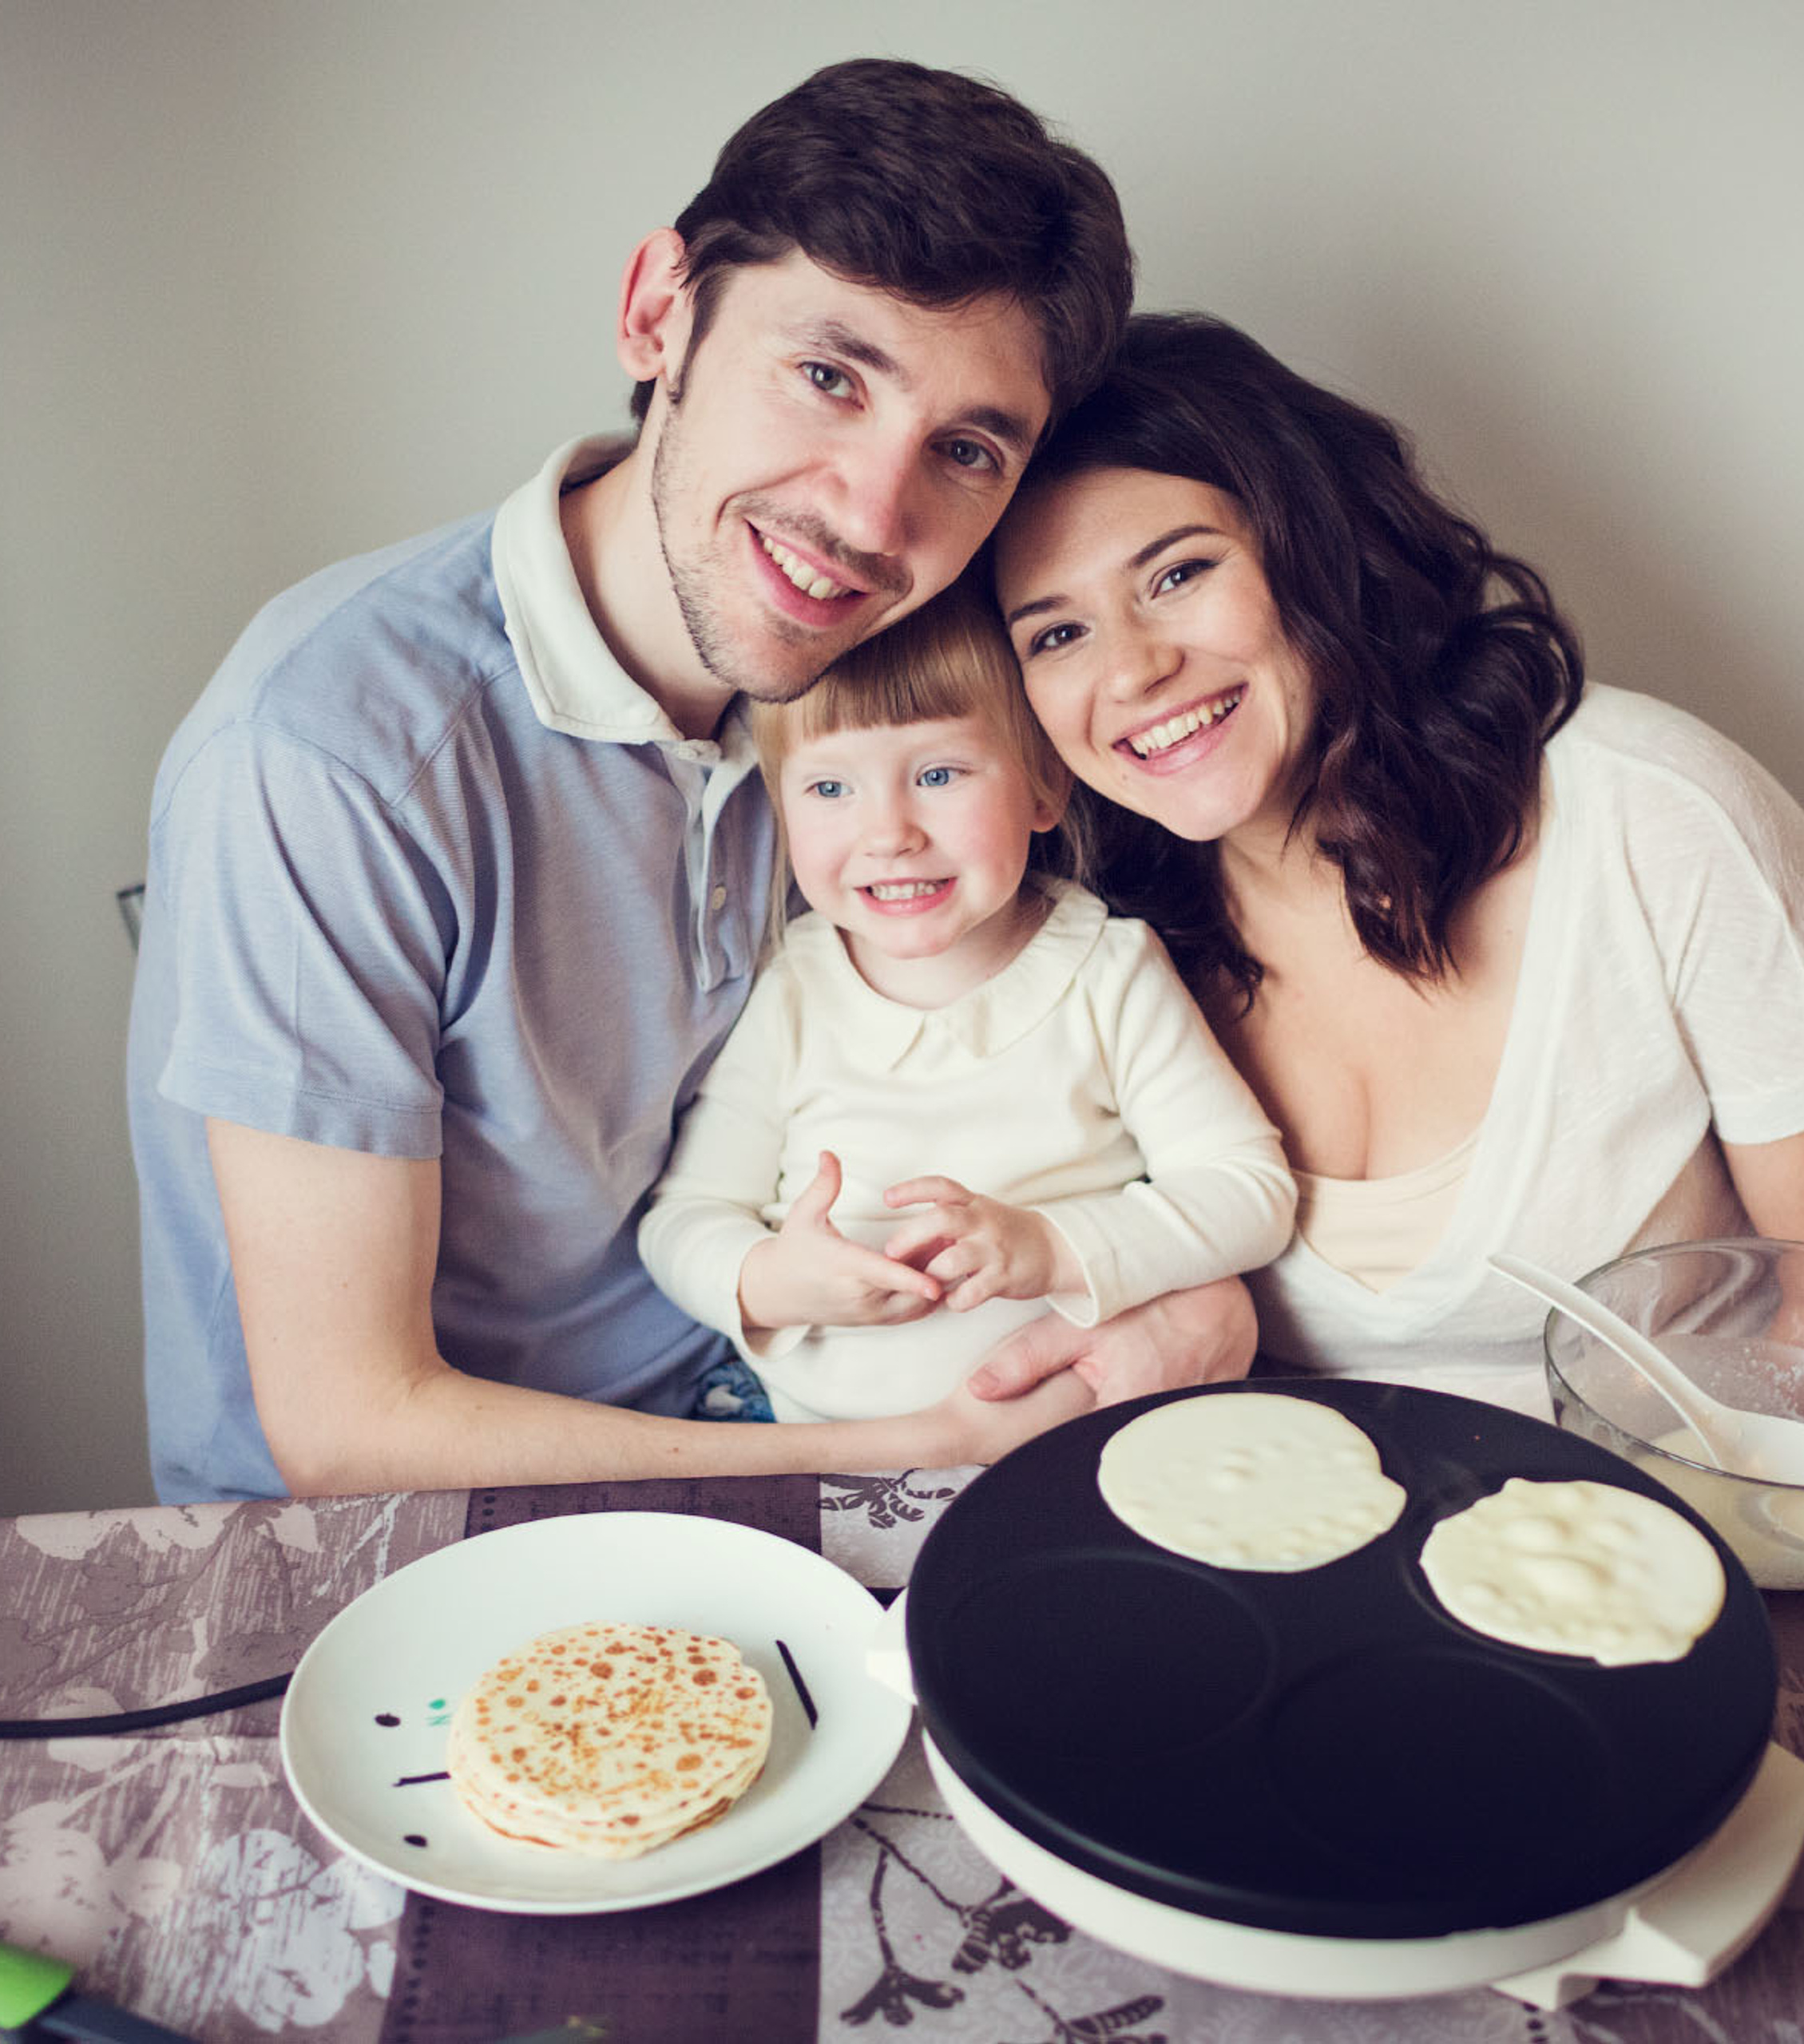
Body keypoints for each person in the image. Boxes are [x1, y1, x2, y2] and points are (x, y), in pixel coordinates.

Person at [126, 62, 1256, 1507]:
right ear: (661, 312)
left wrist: (1173, 1304)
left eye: (964, 450)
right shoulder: (332, 751)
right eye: (829, 376)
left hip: (753, 1393)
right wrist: (901, 1450)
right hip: (397, 1527)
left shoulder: (878, 691)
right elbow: (350, 1426)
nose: (869, 514)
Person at [989, 311, 1804, 1417]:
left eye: (1179, 573)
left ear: (1315, 547)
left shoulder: (1658, 815)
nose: (1136, 671)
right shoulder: (1079, 931)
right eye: (1056, 635)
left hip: (1680, 1525)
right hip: (1280, 1528)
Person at [636, 587, 1297, 1422]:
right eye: (830, 789)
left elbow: (1248, 1192)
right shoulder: (796, 987)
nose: (889, 833)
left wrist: (1051, 1248)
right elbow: (683, 1218)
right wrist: (767, 1279)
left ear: (1041, 789)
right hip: (802, 1429)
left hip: (1061, 1430)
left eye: (939, 774)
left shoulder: (1107, 972)